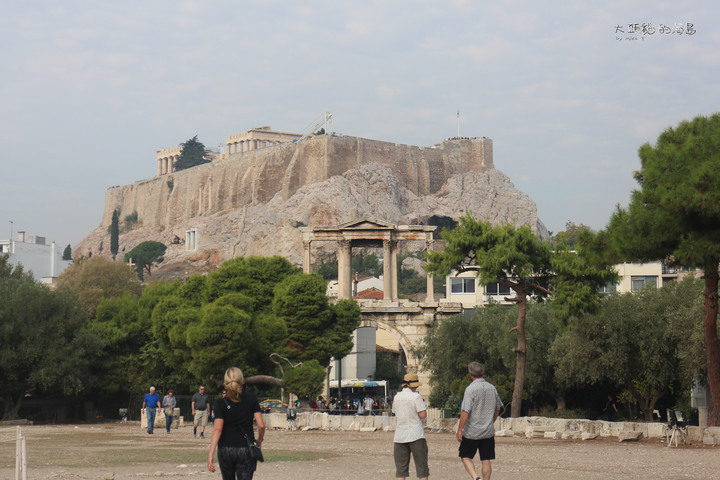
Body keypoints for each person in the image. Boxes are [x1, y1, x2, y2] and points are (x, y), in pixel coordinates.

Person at [208, 367, 265, 480]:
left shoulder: (220, 403)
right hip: (245, 448)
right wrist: (259, 440)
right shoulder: (252, 399)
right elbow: (261, 425)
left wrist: (211, 452)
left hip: (225, 448)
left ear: (225, 383)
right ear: (242, 381)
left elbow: (218, 429)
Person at [457, 362, 503, 480]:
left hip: (472, 431)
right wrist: (491, 421)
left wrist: (460, 429)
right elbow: (498, 408)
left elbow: (465, 411)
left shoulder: (470, 390)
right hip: (487, 431)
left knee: (465, 456)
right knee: (486, 459)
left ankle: (475, 477)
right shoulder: (492, 388)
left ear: (470, 373)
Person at [392, 373, 429, 480]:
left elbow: (395, 412)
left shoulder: (397, 397)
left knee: (401, 470)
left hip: (400, 435)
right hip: (416, 434)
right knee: (422, 468)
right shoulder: (416, 397)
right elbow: (423, 415)